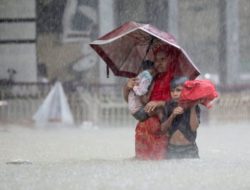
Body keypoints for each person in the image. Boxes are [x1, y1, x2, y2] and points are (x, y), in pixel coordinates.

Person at [123, 45, 181, 160]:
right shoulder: (150, 78)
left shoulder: (177, 80)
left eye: (163, 59)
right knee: (142, 168)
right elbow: (133, 102)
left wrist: (160, 103)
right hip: (143, 131)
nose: (158, 63)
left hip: (162, 132)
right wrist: (127, 88)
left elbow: (181, 104)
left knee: (159, 167)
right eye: (156, 60)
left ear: (171, 59)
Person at [160, 76, 201, 159]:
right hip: (172, 149)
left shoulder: (194, 106)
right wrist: (172, 115)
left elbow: (193, 128)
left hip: (189, 149)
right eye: (172, 91)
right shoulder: (168, 105)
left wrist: (193, 107)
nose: (175, 93)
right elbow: (163, 129)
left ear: (186, 91)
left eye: (178, 90)